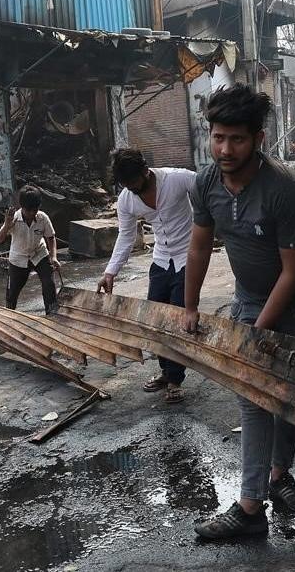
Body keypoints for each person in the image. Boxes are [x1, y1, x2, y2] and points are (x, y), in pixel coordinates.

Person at [183, 84, 295, 540]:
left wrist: (258, 332)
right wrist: (189, 307)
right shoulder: (206, 182)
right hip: (249, 297)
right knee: (254, 397)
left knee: (287, 396)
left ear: (259, 139)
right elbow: (200, 244)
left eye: (237, 139)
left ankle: (279, 477)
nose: (225, 149)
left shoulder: (287, 192)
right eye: (218, 137)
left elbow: (292, 272)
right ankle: (250, 509)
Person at [96, 149, 196, 405]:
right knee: (155, 320)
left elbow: (212, 191)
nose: (131, 189)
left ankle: (175, 379)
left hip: (188, 258)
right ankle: (165, 372)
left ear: (145, 170)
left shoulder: (178, 179)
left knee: (176, 319)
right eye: (126, 185)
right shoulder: (126, 199)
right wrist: (110, 272)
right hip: (161, 260)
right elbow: (126, 236)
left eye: (134, 183)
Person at [0, 185, 60, 315]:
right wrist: (6, 226)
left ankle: (51, 313)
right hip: (19, 258)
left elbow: (51, 238)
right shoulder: (13, 218)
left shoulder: (43, 218)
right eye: (28, 210)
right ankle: (9, 316)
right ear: (22, 207)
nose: (31, 213)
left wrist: (53, 257)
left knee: (49, 284)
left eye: (34, 210)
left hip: (39, 253)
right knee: (12, 292)